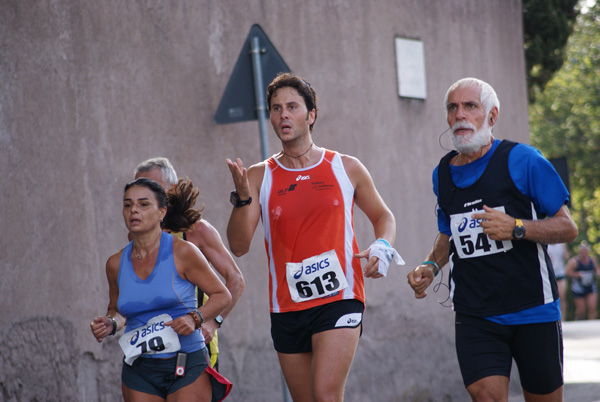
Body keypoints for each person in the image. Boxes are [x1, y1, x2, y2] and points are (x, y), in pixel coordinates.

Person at [226, 73, 400, 402]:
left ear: (311, 115)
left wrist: (383, 246)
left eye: (292, 107)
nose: (283, 115)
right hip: (287, 306)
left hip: (340, 296)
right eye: (276, 109)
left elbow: (383, 217)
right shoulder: (259, 176)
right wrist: (243, 199)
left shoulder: (345, 167)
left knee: (325, 394)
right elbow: (238, 245)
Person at [407, 78, 578, 402]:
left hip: (532, 310)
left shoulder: (523, 160)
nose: (460, 115)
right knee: (485, 395)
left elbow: (567, 228)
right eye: (453, 108)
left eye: (470, 106)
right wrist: (431, 265)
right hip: (475, 313)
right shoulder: (441, 174)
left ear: (492, 116)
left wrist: (517, 227)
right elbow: (448, 233)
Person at [90, 177, 232, 401]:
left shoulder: (184, 252)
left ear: (161, 212)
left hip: (186, 362)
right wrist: (111, 323)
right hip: (139, 367)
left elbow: (223, 294)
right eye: (128, 205)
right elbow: (117, 310)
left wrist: (195, 318)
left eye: (143, 204)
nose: (134, 210)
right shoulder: (115, 264)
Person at [134, 157, 245, 370]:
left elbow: (236, 280)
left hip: (195, 349)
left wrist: (213, 322)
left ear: (172, 189)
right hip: (152, 351)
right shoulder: (137, 236)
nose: (143, 197)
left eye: (151, 188)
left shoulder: (198, 231)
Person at [565, 242, 600, 320]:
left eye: (586, 251)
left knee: (592, 308)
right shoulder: (574, 261)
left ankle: (592, 326)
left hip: (590, 286)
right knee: (581, 310)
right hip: (578, 288)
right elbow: (566, 272)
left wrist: (597, 273)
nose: (584, 253)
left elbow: (597, 269)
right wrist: (577, 274)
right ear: (580, 251)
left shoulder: (592, 260)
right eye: (583, 251)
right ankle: (578, 323)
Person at [547, 243, 570, 319]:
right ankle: (552, 316)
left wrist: (564, 250)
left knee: (562, 296)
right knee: (550, 297)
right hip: (549, 274)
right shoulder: (546, 245)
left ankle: (563, 317)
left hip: (560, 274)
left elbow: (567, 257)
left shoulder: (562, 245)